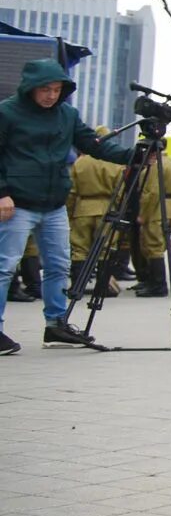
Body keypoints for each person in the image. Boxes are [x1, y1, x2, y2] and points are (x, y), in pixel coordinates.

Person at [0, 59, 134, 354]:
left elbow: (94, 144)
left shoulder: (68, 115)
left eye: (57, 89)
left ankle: (56, 324)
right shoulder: (6, 112)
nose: (51, 95)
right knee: (5, 267)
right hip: (17, 203)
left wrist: (131, 155)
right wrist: (2, 193)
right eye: (45, 89)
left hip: (54, 204)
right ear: (31, 88)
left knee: (59, 265)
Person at [66, 140, 123, 299]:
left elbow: (72, 191)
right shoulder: (115, 162)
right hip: (107, 208)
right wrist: (118, 210)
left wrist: (70, 212)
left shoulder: (80, 162)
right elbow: (121, 190)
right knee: (105, 249)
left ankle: (78, 286)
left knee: (80, 249)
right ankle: (103, 287)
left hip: (83, 208)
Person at [132, 141, 171, 298]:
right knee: (157, 246)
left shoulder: (155, 166)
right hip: (168, 207)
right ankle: (154, 282)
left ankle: (157, 284)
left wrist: (143, 214)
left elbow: (151, 193)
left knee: (153, 246)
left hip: (156, 209)